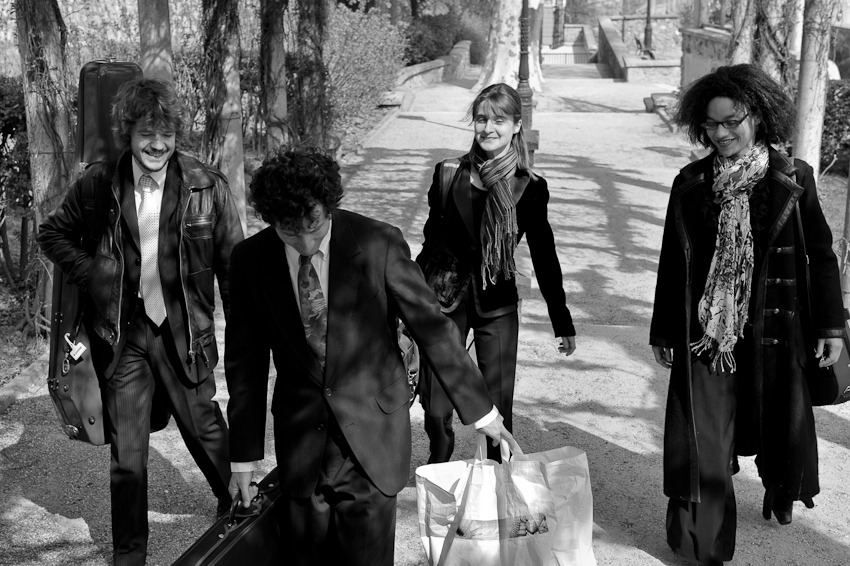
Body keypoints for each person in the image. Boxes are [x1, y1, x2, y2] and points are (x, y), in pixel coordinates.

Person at [225, 146, 520, 566]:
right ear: (269, 219)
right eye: (289, 232)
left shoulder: (378, 242)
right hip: (302, 446)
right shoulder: (249, 260)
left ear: (329, 204)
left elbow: (432, 327)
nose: (305, 242)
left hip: (374, 442)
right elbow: (245, 363)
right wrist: (243, 457)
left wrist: (482, 412)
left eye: (313, 225)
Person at [39, 78, 244, 566]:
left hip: (184, 332)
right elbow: (52, 233)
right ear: (127, 133)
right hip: (122, 335)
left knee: (205, 428)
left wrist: (244, 337)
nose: (157, 144)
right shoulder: (98, 184)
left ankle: (240, 509)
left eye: (166, 133)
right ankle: (129, 556)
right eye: (147, 133)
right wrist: (95, 274)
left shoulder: (206, 185)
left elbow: (234, 267)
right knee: (127, 455)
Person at [649, 64, 844, 565]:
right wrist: (664, 330)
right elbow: (673, 263)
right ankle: (706, 545)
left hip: (776, 331)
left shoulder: (793, 177)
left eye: (731, 121)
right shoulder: (691, 182)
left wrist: (831, 328)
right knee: (705, 441)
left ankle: (780, 485)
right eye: (711, 124)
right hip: (709, 336)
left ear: (757, 115)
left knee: (778, 426)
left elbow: (821, 255)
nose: (721, 133)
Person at [415, 83, 576, 463]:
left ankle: (496, 474)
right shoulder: (448, 173)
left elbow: (544, 255)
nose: (488, 128)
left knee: (498, 402)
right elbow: (430, 242)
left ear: (517, 125)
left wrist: (561, 318)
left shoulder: (531, 187)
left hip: (498, 302)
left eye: (499, 120)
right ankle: (440, 454)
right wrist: (408, 300)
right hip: (444, 299)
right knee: (436, 404)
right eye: (481, 119)